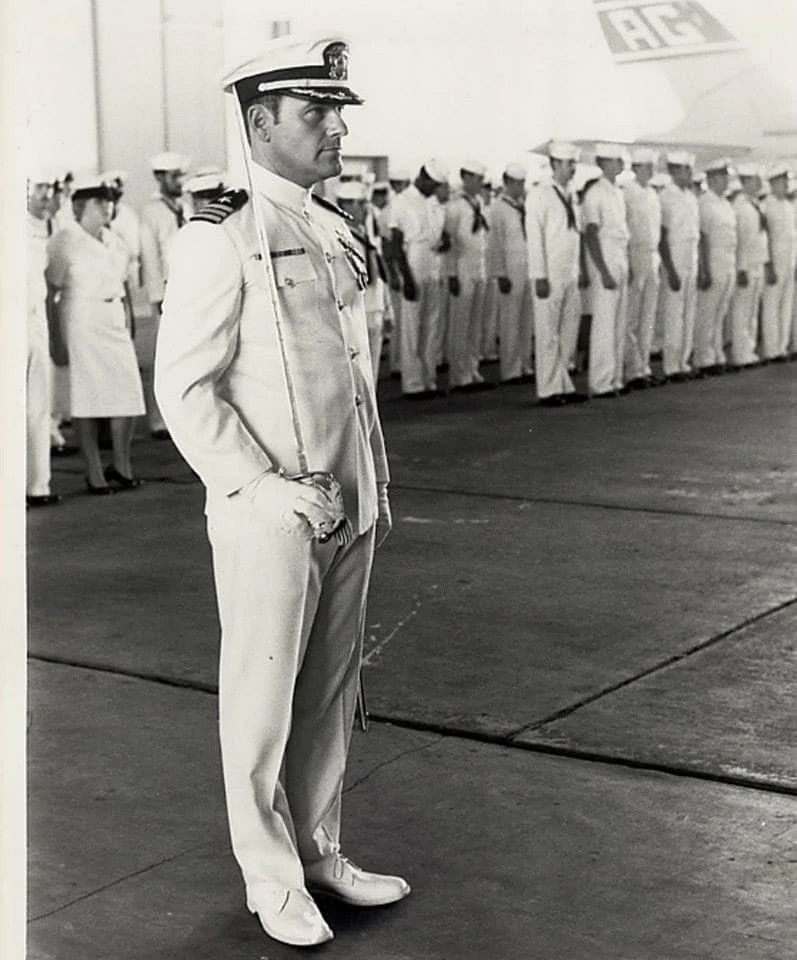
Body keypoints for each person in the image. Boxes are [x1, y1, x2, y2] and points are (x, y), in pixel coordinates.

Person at [154, 35, 408, 950]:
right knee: (262, 699)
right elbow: (184, 387)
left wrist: (369, 480)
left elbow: (348, 371)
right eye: (317, 111)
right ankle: (270, 876)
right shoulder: (219, 238)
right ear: (259, 122)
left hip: (347, 498)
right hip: (270, 510)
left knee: (331, 689)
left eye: (336, 109)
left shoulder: (328, 225)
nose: (336, 126)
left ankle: (318, 850)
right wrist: (257, 486)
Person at [46, 176, 146, 494]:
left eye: (108, 201)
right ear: (80, 207)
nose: (108, 207)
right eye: (99, 202)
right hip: (81, 320)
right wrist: (55, 340)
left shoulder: (115, 238)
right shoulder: (65, 239)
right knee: (86, 398)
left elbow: (126, 288)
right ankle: (94, 472)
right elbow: (51, 292)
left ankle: (121, 465)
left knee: (128, 394)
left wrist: (129, 322)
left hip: (113, 316)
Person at [527, 141, 585, 405]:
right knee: (548, 332)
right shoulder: (540, 193)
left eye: (574, 163)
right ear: (555, 164)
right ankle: (549, 388)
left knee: (568, 331)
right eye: (568, 164)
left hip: (569, 271)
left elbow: (575, 235)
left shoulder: (570, 193)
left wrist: (580, 269)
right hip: (549, 273)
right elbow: (535, 237)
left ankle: (563, 383)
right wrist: (539, 275)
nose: (572, 168)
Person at [140, 151, 190, 438]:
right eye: (174, 176)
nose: (179, 181)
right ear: (160, 178)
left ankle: (184, 416)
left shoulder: (185, 205)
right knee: (165, 356)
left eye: (180, 175)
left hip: (189, 287)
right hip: (167, 291)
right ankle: (160, 420)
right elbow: (150, 256)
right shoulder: (152, 211)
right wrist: (157, 297)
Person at [390, 160, 449, 398]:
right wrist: (406, 278)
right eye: (432, 185)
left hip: (434, 266)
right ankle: (413, 384)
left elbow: (441, 234)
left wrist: (445, 241)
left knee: (432, 328)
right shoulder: (402, 201)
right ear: (422, 178)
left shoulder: (434, 203)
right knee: (412, 329)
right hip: (413, 264)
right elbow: (395, 244)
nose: (434, 190)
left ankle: (429, 381)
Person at [582, 142, 630, 398]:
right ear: (602, 164)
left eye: (620, 160)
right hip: (605, 257)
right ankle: (600, 381)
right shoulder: (595, 193)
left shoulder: (617, 192)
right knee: (604, 323)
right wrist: (603, 271)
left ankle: (615, 378)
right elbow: (590, 234)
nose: (619, 164)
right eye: (614, 160)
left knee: (619, 321)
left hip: (619, 254)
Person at [26, 171, 62, 507]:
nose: (46, 195)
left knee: (39, 406)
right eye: (39, 187)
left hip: (35, 324)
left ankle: (39, 486)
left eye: (48, 188)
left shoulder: (42, 229)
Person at [445, 160, 493, 391]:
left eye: (481, 178)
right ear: (465, 177)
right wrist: (452, 274)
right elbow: (450, 242)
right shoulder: (455, 205)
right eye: (476, 178)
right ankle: (459, 374)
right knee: (460, 324)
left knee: (475, 324)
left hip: (479, 269)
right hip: (462, 269)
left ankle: (472, 370)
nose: (479, 183)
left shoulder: (479, 202)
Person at [336, 179, 391, 382]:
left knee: (372, 369)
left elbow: (380, 274)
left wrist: (386, 308)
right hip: (356, 311)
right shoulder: (338, 236)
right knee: (357, 373)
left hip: (374, 308)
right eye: (359, 204)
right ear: (344, 206)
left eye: (365, 203)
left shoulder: (365, 233)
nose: (365, 209)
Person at [487, 162, 533, 384]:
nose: (521, 187)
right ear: (507, 183)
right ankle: (511, 369)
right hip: (510, 269)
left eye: (522, 183)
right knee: (510, 320)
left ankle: (524, 363)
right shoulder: (498, 208)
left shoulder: (523, 206)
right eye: (517, 183)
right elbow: (494, 243)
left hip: (527, 267)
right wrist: (500, 273)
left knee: (526, 320)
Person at [658, 150, 700, 382]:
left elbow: (694, 234)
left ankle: (683, 362)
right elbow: (662, 236)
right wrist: (670, 269)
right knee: (674, 315)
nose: (690, 174)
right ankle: (671, 366)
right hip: (674, 259)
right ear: (674, 171)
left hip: (690, 259)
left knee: (688, 313)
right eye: (686, 170)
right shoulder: (666, 197)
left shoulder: (691, 197)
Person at [622, 147, 662, 388]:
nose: (649, 171)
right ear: (635, 169)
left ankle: (643, 367)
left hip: (651, 255)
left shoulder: (652, 194)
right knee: (631, 317)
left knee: (648, 316)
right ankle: (632, 369)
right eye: (645, 167)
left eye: (651, 167)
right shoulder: (627, 193)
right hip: (635, 254)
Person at [694, 158, 737, 374]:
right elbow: (702, 238)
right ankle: (704, 358)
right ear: (712, 179)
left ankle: (717, 354)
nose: (727, 181)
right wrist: (704, 269)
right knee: (707, 312)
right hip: (713, 259)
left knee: (720, 312)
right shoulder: (705, 203)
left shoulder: (724, 203)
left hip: (727, 260)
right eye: (723, 177)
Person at [729, 162, 771, 368]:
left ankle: (749, 350)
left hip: (757, 263)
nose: (760, 184)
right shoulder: (741, 206)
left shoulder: (755, 204)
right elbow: (742, 240)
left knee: (752, 310)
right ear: (747, 182)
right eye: (756, 180)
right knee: (742, 310)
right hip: (746, 265)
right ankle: (740, 353)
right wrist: (742, 268)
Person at [760, 162, 796, 361]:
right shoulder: (767, 206)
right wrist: (769, 265)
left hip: (789, 262)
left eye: (787, 181)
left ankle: (782, 347)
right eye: (783, 181)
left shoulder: (788, 206)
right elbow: (766, 239)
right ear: (773, 184)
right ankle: (772, 349)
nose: (786, 185)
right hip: (774, 262)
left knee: (786, 305)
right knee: (772, 306)